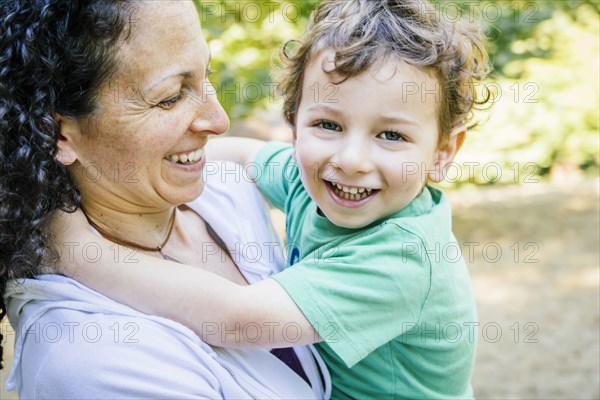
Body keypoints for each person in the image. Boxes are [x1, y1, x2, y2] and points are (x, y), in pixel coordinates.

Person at [52, 0, 493, 398]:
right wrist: (172, 160)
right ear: (295, 122)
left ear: (442, 153)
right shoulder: (312, 179)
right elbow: (245, 154)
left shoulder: (403, 256)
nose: (351, 159)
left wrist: (77, 254)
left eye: (391, 135)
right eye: (328, 125)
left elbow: (238, 319)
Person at [0, 0, 331, 398]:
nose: (219, 120)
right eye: (171, 97)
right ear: (60, 135)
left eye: (205, 75)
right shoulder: (94, 363)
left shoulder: (222, 190)